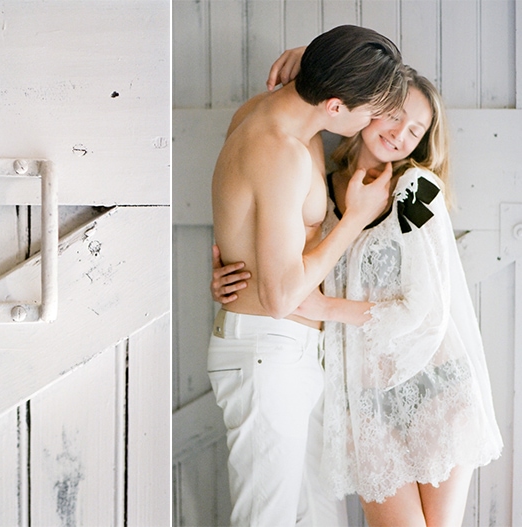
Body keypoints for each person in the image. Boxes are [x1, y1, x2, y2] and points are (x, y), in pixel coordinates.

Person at [212, 61, 503, 526]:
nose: (401, 134)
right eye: (395, 115)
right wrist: (235, 267)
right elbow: (292, 263)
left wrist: (326, 307)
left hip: (430, 386)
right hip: (366, 404)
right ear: (371, 108)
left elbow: (427, 310)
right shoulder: (326, 191)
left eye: (416, 130)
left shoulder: (414, 193)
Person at [208, 25, 409, 526]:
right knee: (267, 519)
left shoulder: (282, 117)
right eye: (371, 111)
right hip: (268, 348)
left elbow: (256, 231)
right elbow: (279, 297)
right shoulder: (279, 150)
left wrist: (315, 61)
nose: (379, 121)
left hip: (288, 351)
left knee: (319, 518)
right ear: (336, 107)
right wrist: (356, 220)